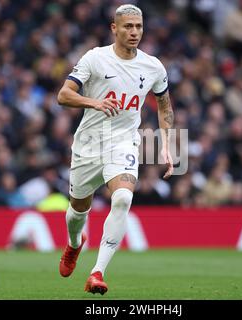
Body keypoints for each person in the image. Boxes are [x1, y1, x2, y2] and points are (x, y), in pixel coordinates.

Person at [56, 4, 174, 295]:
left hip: (123, 142)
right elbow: (63, 95)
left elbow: (164, 105)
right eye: (128, 27)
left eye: (139, 27)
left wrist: (167, 146)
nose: (134, 32)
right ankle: (74, 244)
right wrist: (95, 102)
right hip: (89, 143)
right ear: (114, 28)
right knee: (77, 211)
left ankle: (97, 272)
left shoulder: (153, 66)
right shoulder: (95, 58)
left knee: (122, 198)